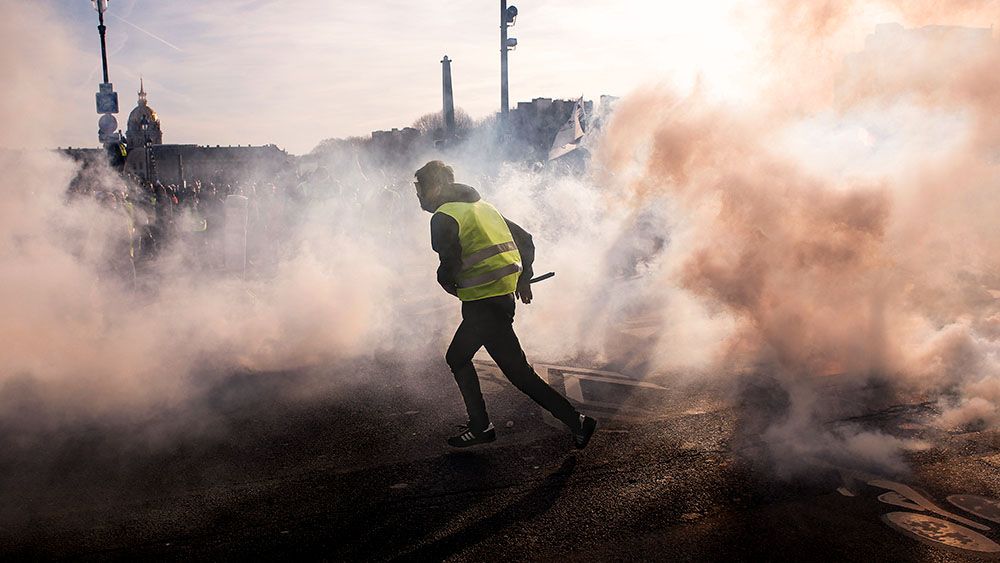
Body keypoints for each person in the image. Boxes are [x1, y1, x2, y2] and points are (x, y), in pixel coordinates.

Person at [414, 160, 597, 449]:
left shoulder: (444, 217)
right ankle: (574, 421)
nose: (418, 196)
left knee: (461, 359)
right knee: (516, 372)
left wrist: (446, 282)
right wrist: (524, 277)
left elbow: (448, 265)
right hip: (498, 300)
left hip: (482, 305)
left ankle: (483, 426)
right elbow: (525, 239)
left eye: (419, 188)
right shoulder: (484, 207)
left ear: (434, 187)